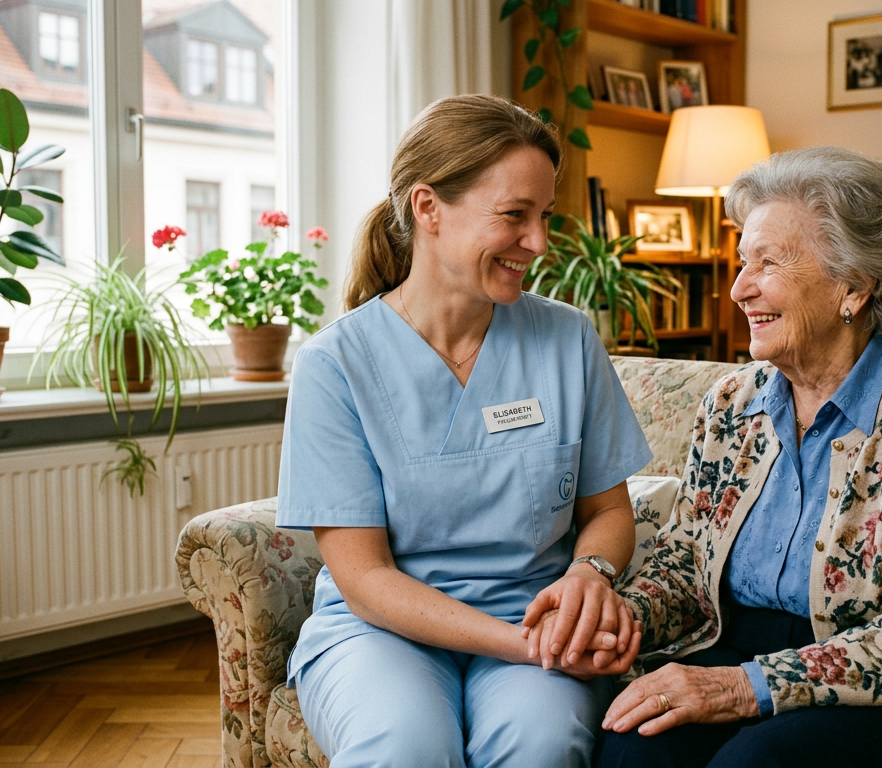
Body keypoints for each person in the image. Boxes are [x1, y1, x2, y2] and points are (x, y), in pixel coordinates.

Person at [596, 146, 882, 768]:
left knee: (758, 766)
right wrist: (621, 621)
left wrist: (746, 688)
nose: (738, 288)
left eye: (769, 263)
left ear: (854, 289)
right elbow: (685, 562)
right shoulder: (730, 402)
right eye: (742, 261)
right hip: (735, 647)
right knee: (631, 750)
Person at [276, 94, 650, 768]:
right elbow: (365, 579)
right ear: (428, 209)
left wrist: (592, 575)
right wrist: (525, 646)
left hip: (535, 618)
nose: (537, 243)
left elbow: (608, 510)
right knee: (406, 748)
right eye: (514, 216)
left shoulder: (567, 340)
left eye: (543, 218)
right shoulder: (335, 365)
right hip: (380, 632)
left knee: (542, 745)